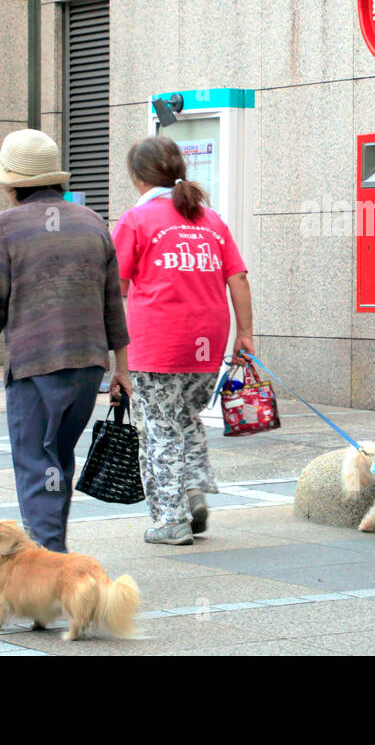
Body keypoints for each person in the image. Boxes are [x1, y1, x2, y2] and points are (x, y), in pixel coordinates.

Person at [0, 129, 132, 553]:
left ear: (13, 183)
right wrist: (122, 370)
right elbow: (113, 300)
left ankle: (48, 565)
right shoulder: (92, 222)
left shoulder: (6, 226)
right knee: (58, 461)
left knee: (37, 463)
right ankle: (53, 556)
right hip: (88, 365)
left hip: (35, 366)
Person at [112, 135, 254, 546]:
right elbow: (238, 278)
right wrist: (245, 334)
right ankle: (193, 492)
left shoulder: (136, 220)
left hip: (158, 341)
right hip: (209, 338)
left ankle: (171, 519)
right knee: (187, 418)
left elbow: (115, 287)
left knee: (158, 428)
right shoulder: (211, 220)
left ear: (137, 177)